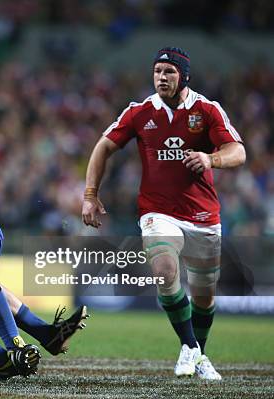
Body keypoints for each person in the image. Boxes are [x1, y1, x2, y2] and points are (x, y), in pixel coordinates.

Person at [81, 47, 245, 380]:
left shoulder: (207, 110)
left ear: (184, 76)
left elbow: (237, 151)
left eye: (168, 72)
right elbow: (104, 146)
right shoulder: (140, 112)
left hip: (203, 215)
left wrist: (210, 159)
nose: (161, 78)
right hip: (158, 211)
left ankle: (197, 353)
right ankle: (192, 349)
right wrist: (89, 195)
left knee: (204, 295)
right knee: (165, 270)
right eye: (157, 71)